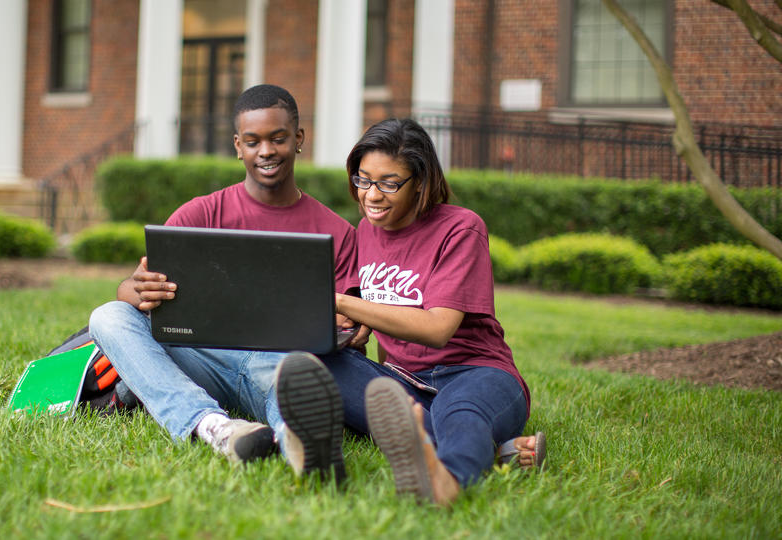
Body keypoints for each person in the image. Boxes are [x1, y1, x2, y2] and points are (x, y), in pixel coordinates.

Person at [88, 84, 365, 479]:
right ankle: (215, 428)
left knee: (298, 384)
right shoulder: (198, 214)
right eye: (252, 142)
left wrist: (348, 326)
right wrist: (136, 288)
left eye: (278, 138)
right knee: (108, 316)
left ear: (299, 139)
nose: (265, 151)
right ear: (238, 146)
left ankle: (302, 444)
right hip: (199, 358)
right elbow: (133, 291)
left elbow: (351, 321)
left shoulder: (337, 231)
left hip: (284, 365)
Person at [298, 117, 544, 506]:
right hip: (403, 379)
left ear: (421, 182)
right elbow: (367, 313)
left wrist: (344, 302)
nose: (372, 195)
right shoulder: (365, 231)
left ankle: (446, 480)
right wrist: (349, 321)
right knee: (315, 363)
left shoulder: (461, 229)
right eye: (363, 180)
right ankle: (498, 451)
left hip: (474, 372)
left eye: (389, 183)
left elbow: (437, 328)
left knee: (461, 411)